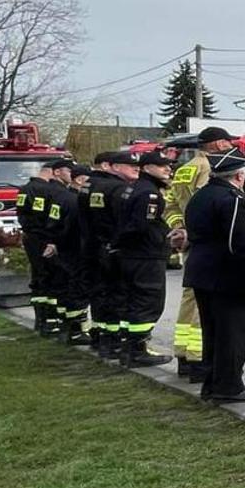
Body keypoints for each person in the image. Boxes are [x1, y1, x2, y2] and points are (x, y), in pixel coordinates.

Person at [184, 152, 245, 402]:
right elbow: (239, 244)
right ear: (239, 176)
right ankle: (228, 385)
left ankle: (213, 381)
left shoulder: (201, 195)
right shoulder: (233, 199)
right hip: (228, 275)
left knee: (213, 331)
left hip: (201, 271)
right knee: (233, 333)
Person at [168, 127, 236, 379]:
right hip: (208, 241)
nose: (230, 145)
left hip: (190, 242)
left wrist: (178, 228)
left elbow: (172, 204)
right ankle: (199, 359)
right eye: (227, 141)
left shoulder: (184, 168)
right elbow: (210, 204)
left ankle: (183, 354)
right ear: (218, 144)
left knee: (189, 299)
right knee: (204, 304)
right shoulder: (208, 168)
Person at [112, 152, 176, 368]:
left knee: (132, 301)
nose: (167, 169)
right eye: (162, 166)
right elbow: (142, 226)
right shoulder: (149, 194)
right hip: (145, 255)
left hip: (131, 255)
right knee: (147, 302)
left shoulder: (133, 188)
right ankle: (138, 350)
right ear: (147, 168)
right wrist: (161, 236)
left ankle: (128, 347)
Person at [82, 152, 137, 355]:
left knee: (99, 293)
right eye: (128, 165)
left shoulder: (89, 185)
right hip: (112, 248)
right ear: (111, 166)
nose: (135, 169)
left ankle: (101, 336)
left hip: (93, 247)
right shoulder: (118, 188)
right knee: (118, 294)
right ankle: (114, 341)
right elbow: (122, 221)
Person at [40, 160, 92, 346]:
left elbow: (53, 225)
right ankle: (78, 331)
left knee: (66, 290)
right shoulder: (75, 201)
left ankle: (67, 326)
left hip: (63, 250)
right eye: (88, 179)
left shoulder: (61, 197)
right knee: (78, 290)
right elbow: (74, 228)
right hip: (75, 250)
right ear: (78, 180)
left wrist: (54, 243)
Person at [17, 161, 61, 337]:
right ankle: (51, 320)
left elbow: (22, 213)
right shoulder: (48, 190)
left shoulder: (25, 189)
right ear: (52, 173)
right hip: (45, 238)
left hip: (30, 237)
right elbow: (49, 216)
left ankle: (40, 320)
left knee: (38, 276)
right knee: (51, 277)